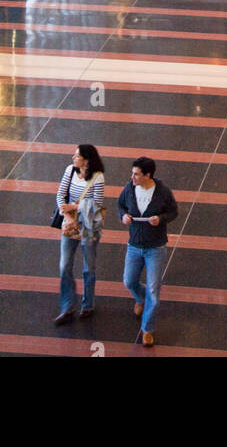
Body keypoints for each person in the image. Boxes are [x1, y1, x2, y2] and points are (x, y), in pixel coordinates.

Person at [118, 157, 179, 347]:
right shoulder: (129, 188)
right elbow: (120, 205)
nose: (132, 177)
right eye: (132, 173)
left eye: (136, 174)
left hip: (155, 248)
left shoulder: (162, 192)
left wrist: (160, 219)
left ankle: (147, 329)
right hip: (134, 245)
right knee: (129, 281)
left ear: (147, 175)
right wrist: (124, 216)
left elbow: (173, 212)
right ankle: (140, 298)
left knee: (153, 289)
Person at [54, 143, 107, 324]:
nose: (73, 158)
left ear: (87, 160)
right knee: (64, 265)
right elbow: (60, 195)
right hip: (70, 225)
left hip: (89, 227)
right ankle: (67, 305)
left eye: (77, 156)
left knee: (88, 268)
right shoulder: (69, 171)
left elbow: (96, 204)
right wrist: (67, 216)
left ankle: (87, 304)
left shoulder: (98, 178)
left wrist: (74, 206)